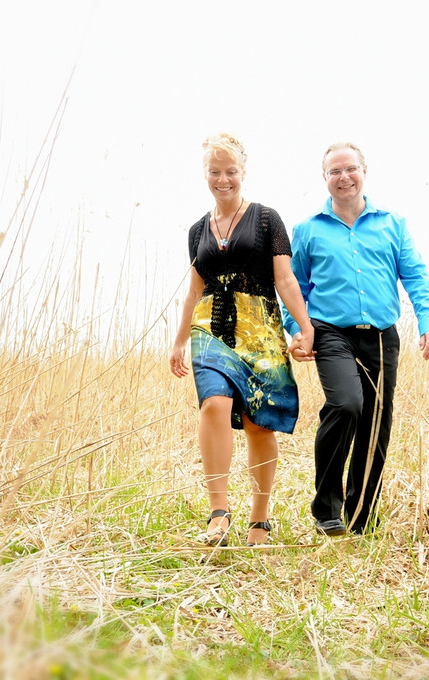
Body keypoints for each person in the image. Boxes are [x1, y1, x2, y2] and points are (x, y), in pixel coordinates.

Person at [283, 141, 429, 536]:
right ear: (325, 178)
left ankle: (360, 519)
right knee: (347, 404)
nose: (344, 177)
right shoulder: (307, 230)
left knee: (376, 425)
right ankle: (326, 509)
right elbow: (292, 287)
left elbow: (417, 277)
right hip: (330, 333)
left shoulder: (392, 224)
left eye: (350, 168)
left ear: (364, 171)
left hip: (382, 337)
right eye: (335, 171)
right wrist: (297, 329)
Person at [170, 132, 314, 548]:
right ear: (205, 173)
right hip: (210, 328)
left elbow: (285, 280)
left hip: (260, 329)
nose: (223, 179)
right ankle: (218, 511)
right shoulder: (197, 230)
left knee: (257, 423)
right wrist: (178, 341)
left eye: (230, 171)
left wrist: (304, 327)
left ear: (243, 171)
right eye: (214, 171)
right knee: (214, 404)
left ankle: (259, 518)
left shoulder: (267, 219)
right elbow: (194, 291)